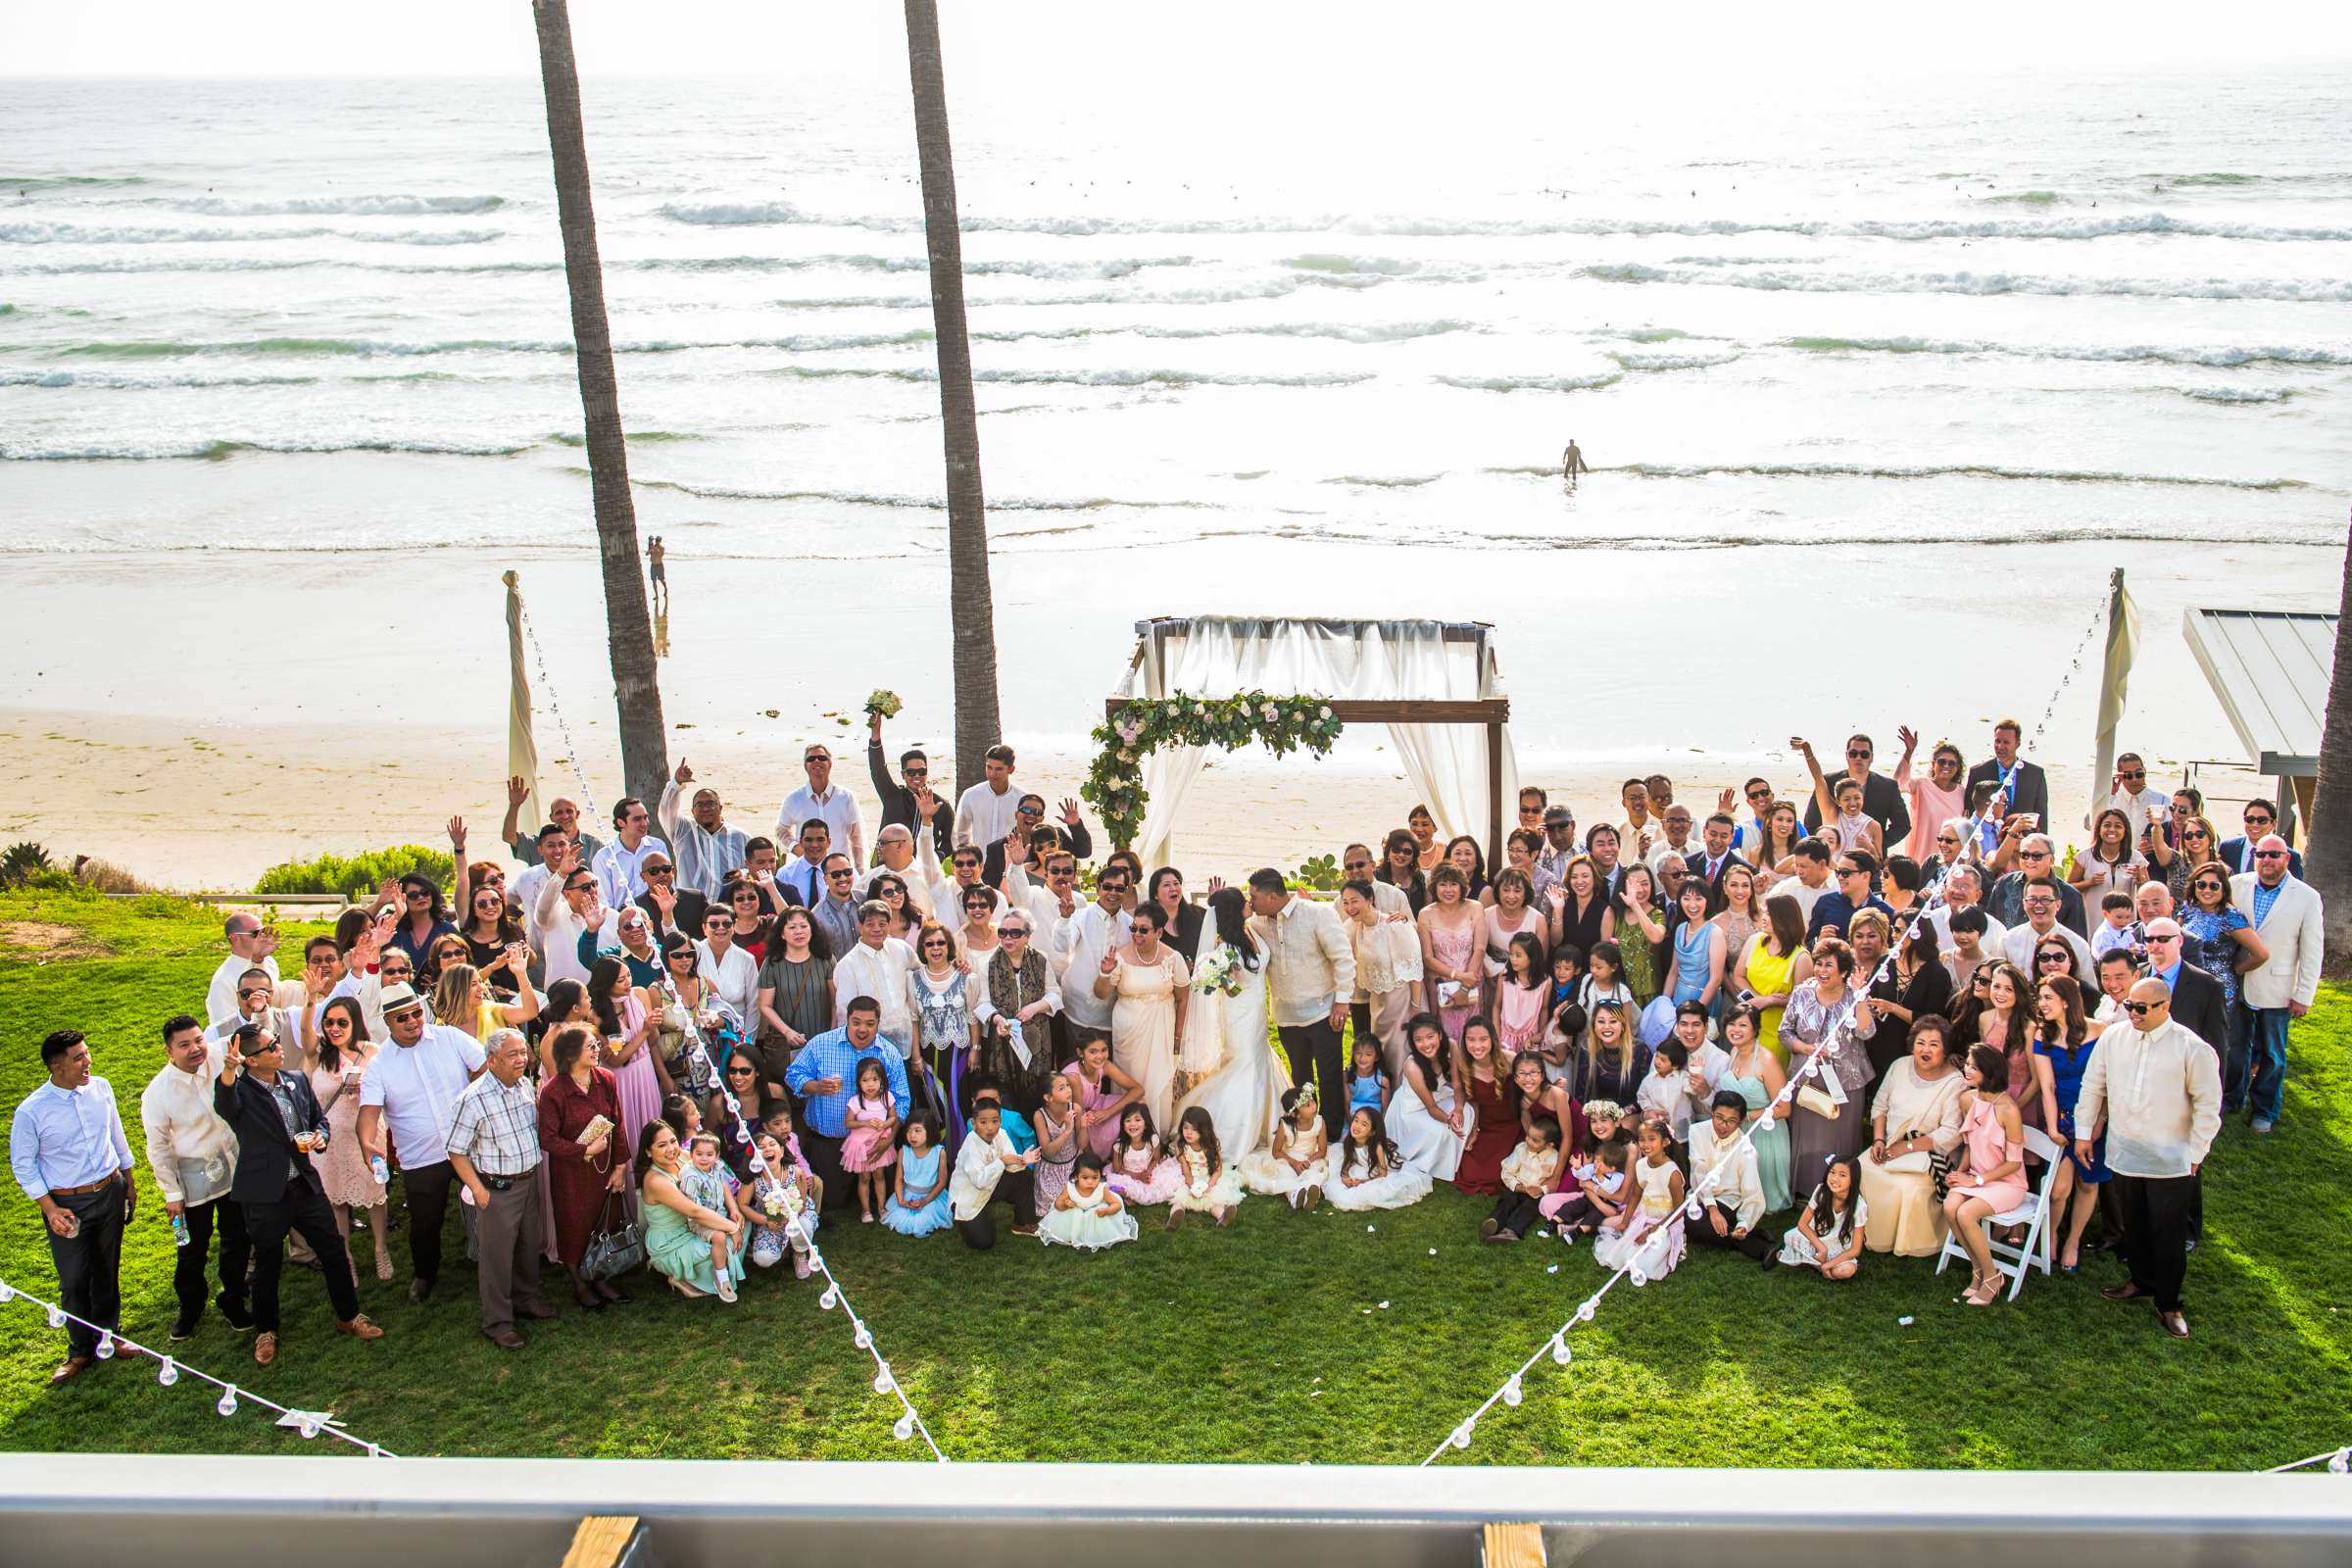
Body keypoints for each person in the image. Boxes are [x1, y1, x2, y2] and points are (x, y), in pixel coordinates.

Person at [212, 1022, 383, 1364]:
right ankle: (266, 1331)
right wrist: (229, 1070)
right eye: (269, 1046)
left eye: (276, 1041)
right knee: (267, 1262)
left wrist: (320, 1136)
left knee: (333, 1251)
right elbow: (224, 1104)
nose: (278, 1047)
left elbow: (317, 1119)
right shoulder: (241, 1091)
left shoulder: (296, 1080)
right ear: (250, 1061)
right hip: (264, 1193)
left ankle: (349, 1316)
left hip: (303, 1185)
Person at [2080, 978, 2222, 1340]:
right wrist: (2084, 1132)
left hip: (2170, 1160)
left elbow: (2208, 1106)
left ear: (2165, 1006)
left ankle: (2169, 1302)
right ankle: (2141, 1281)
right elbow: (2093, 1084)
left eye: (2141, 1008)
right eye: (2129, 1005)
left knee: (2168, 1233)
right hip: (2124, 1152)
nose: (2133, 1013)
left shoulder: (2192, 1048)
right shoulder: (2114, 1038)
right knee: (2135, 1225)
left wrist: (2196, 1153)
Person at [11, 1031, 136, 1384]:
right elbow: (23, 1164)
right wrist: (50, 1209)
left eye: (87, 1053)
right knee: (74, 1279)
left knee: (107, 1268)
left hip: (110, 1190)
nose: (88, 1062)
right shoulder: (32, 1111)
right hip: (67, 1203)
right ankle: (80, 1350)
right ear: (57, 1066)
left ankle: (110, 1336)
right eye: (79, 1057)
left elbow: (116, 1133)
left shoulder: (101, 1088)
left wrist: (128, 1181)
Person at [356, 981, 488, 1302]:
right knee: (426, 1222)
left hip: (468, 1145)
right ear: (388, 1022)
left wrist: (475, 1094)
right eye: (403, 1017)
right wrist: (366, 1142)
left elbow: (486, 1065)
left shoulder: (449, 1037)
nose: (413, 1020)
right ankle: (425, 1274)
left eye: (417, 1012)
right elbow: (368, 1114)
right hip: (422, 1157)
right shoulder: (379, 1066)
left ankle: (499, 1261)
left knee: (491, 1203)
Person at [444, 1030, 554, 1348]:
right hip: (497, 1189)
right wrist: (478, 1190)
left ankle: (527, 1300)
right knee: (497, 1259)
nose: (522, 1059)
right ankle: (498, 1323)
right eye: (512, 1055)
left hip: (528, 1181)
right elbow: (455, 1150)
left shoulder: (521, 1084)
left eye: (523, 1052)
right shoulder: (472, 1099)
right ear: (491, 1060)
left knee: (527, 1247)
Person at [141, 1014, 248, 1338]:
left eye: (198, 1040)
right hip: (192, 1180)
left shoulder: (219, 1056)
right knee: (191, 1249)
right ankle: (190, 1308)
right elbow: (158, 1147)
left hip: (233, 1167)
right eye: (184, 1045)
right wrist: (171, 1193)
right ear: (168, 1051)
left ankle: (232, 1300)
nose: (195, 1049)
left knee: (238, 1240)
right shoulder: (157, 1093)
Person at [1174, 888, 1287, 1160]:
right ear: (1235, 910)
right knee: (1244, 1062)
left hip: (1257, 1013)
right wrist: (1226, 981)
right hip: (1239, 1014)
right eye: (1244, 901)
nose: (1250, 903)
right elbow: (1228, 988)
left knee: (1258, 1059)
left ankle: (1266, 1121)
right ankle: (1232, 1128)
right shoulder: (1224, 946)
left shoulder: (1250, 930)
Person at [1247, 868, 1353, 1136]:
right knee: (1301, 1075)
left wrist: (1342, 1002)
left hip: (1324, 1011)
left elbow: (1343, 959)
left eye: (1254, 897)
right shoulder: (1257, 923)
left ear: (1272, 897)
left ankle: (1332, 1130)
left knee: (1329, 1073)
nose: (1251, 902)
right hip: (1286, 1015)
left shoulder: (1318, 914)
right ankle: (1306, 1127)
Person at [2230, 835, 2324, 1132]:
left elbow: (2312, 950)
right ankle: (2233, 1099)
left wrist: (2304, 994)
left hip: (2278, 989)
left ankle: (2265, 1110)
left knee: (2273, 1054)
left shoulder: (2307, 896)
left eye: (2274, 854)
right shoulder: (2237, 885)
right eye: (2261, 854)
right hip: (2238, 980)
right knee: (2237, 1047)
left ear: (2286, 858)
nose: (2267, 859)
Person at [1856, 1015, 1967, 1256]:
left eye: (1934, 1044)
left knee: (1906, 1187)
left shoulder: (1955, 1082)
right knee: (1860, 1169)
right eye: (1921, 1043)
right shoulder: (1899, 1065)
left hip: (1929, 1155)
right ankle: (1860, 1233)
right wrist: (1878, 1140)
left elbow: (1951, 1132)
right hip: (1889, 1146)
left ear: (1945, 1049)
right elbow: (1879, 1106)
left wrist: (1905, 1148)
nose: (1925, 1049)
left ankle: (1904, 1242)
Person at [537, 1024, 629, 1309]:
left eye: (595, 1044)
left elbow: (618, 1122)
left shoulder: (606, 1079)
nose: (597, 1049)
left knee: (606, 1222)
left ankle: (601, 1275)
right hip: (571, 1174)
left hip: (604, 1168)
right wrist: (584, 1150)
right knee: (574, 1226)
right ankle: (578, 1282)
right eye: (590, 1046)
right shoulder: (554, 1091)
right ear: (570, 1054)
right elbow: (547, 1138)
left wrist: (620, 1167)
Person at [301, 997, 392, 1284]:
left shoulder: (373, 1051)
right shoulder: (319, 1054)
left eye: (342, 1022)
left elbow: (388, 1088)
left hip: (366, 1134)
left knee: (375, 1194)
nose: (334, 1028)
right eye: (329, 1023)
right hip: (331, 1138)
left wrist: (365, 1085)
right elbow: (305, 1035)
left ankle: (381, 1248)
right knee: (336, 1200)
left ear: (355, 1022)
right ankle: (346, 1257)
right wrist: (309, 1001)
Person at [1941, 1043, 2030, 1306]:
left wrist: (1977, 1180)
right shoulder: (1968, 1099)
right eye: (1967, 1064)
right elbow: (1970, 1142)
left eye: (1974, 1067)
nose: (1967, 1070)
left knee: (1966, 1214)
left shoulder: (2008, 1110)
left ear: (1989, 1072)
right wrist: (1960, 1173)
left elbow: (2014, 1163)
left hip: (2006, 1183)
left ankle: (1992, 1277)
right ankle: (1977, 1268)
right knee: (1950, 1207)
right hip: (1975, 1177)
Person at [1781, 938, 1878, 1178]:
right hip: (1807, 1076)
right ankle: (1805, 1186)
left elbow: (1866, 1032)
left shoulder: (1853, 997)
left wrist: (1860, 997)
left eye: (1828, 966)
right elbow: (1785, 1031)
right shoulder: (1802, 993)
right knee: (1808, 1135)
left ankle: (1840, 1185)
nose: (1821, 971)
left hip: (1846, 1079)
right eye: (1819, 964)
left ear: (1843, 971)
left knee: (1839, 1137)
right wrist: (1805, 1048)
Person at [1095, 901, 1192, 1135]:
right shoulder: (1119, 956)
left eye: (1143, 930)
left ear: (1159, 932)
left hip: (1162, 1031)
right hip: (1128, 1033)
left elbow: (1183, 999)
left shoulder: (1173, 958)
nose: (1136, 934)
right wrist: (1105, 973)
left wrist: (1178, 1036)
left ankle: (1157, 1135)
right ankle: (1125, 1139)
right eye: (1134, 928)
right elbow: (1101, 994)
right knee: (1129, 1083)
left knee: (1158, 1084)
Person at [636, 1121, 744, 1299]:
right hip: (673, 1240)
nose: (671, 1149)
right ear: (648, 1151)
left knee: (741, 1227)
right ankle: (680, 1277)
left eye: (673, 1141)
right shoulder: (655, 1180)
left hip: (695, 1226)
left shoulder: (684, 1157)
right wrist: (731, 1227)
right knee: (724, 1242)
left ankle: (702, 1275)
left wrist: (733, 1209)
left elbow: (718, 1178)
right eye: (662, 1145)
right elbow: (694, 1211)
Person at [1340, 876, 1422, 1086]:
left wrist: (1415, 1007)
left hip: (1403, 1000)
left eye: (1354, 900)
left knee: (1400, 1052)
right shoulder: (1353, 927)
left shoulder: (1395, 925)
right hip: (1378, 1003)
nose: (1350, 907)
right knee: (1383, 1054)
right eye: (1345, 902)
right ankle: (1385, 1100)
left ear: (1369, 899)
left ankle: (1405, 1102)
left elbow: (1414, 969)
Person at [1686, 1091, 1774, 1262]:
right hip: (1701, 1195)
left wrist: (1744, 1223)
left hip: (1728, 1200)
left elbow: (1752, 1192)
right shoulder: (1696, 1131)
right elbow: (1699, 1171)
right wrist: (1712, 1209)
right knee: (1687, 1221)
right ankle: (1755, 1241)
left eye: (1731, 1121)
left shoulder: (1746, 1148)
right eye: (1719, 1117)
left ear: (1740, 1121)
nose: (1722, 1125)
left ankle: (1755, 1244)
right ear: (1712, 1112)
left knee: (1695, 1224)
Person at [1717, 1004, 1789, 1211]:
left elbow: (1784, 1109)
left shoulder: (1767, 1060)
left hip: (1764, 1133)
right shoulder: (1733, 1052)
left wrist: (1745, 1116)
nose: (1735, 1030)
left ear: (1755, 1029)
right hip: (1736, 1130)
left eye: (1742, 1025)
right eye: (1732, 1024)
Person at [1593, 1114, 1686, 1276]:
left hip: (1666, 1223)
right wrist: (1625, 1221)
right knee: (1622, 1256)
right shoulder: (1641, 1165)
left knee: (1645, 1265)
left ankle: (1678, 1242)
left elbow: (1679, 1211)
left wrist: (1652, 1231)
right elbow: (1636, 1195)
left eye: (1652, 1139)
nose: (1646, 1144)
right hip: (1645, 1218)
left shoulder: (1672, 1173)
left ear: (1665, 1142)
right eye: (1642, 1139)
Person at [755, 906, 833, 1084]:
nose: (799, 931)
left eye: (803, 926)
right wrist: (787, 1032)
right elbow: (765, 1006)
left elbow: (835, 1001)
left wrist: (832, 1034)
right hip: (788, 1043)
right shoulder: (772, 963)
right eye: (792, 927)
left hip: (823, 1041)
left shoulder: (825, 959)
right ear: (782, 934)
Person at [949, 1098, 1040, 1250]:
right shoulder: (971, 1145)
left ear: (1000, 1121)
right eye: (983, 1122)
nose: (990, 1128)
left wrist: (1022, 1160)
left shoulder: (1002, 1134)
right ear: (974, 1123)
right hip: (967, 1196)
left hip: (992, 1185)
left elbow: (1011, 1164)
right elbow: (979, 1182)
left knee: (1024, 1176)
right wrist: (1002, 1162)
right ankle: (966, 1222)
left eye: (995, 1121)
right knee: (984, 1243)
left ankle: (1023, 1223)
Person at [1732, 894, 1810, 1065]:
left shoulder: (1801, 957)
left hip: (1777, 1030)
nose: (1764, 918)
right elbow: (1738, 976)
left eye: (1769, 914)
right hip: (1748, 1022)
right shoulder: (1755, 941)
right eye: (1764, 913)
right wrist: (1758, 1000)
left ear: (1784, 918)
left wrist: (1772, 1002)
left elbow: (1801, 1001)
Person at [1796, 733, 1911, 850]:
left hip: (1869, 859)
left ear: (1871, 757)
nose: (1858, 758)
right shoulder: (1828, 782)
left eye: (1864, 754)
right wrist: (1824, 847)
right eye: (1853, 753)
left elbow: (1903, 825)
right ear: (1847, 755)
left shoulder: (1888, 786)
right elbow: (1811, 824)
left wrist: (1877, 844)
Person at [832, 901, 918, 1054]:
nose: (877, 929)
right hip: (869, 1045)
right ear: (860, 927)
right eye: (870, 925)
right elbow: (845, 1012)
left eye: (882, 924)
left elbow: (921, 974)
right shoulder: (848, 964)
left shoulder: (901, 949)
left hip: (906, 1039)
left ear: (889, 924)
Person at [1389, 1013, 1467, 1180]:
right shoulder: (1412, 1066)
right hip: (1413, 1108)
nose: (1425, 1044)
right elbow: (1430, 1108)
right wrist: (1448, 1119)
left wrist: (1458, 1109)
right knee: (1441, 1131)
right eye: (1418, 1040)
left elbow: (1458, 1085)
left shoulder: (1452, 1046)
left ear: (1439, 1034)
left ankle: (1461, 1158)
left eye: (1430, 1037)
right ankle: (1432, 1163)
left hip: (1439, 1096)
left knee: (1466, 1112)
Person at [866, 714, 954, 859]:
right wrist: (876, 734)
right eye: (911, 772)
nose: (917, 776)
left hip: (922, 871)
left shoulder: (941, 805)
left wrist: (938, 856)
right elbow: (877, 769)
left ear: (927, 772)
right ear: (903, 774)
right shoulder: (891, 795)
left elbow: (949, 841)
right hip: (887, 866)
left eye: (921, 771)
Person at [1324, 1105, 1432, 1211]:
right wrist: (1345, 1178)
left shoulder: (1377, 1147)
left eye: (1364, 1124)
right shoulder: (1350, 1142)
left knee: (1381, 1190)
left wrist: (1363, 1181)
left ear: (1372, 1132)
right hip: (1366, 1166)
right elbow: (1346, 1164)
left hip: (1385, 1169)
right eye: (1356, 1121)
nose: (1356, 1126)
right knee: (1338, 1183)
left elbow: (1383, 1174)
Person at [1239, 1084, 1330, 1208]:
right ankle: (1293, 1195)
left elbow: (1322, 1150)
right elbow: (1276, 1151)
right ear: (1295, 1114)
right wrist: (1294, 1163)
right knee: (1285, 1174)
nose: (1313, 1105)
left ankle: (1311, 1193)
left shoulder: (1320, 1122)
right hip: (1289, 1158)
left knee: (1313, 1173)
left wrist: (1308, 1161)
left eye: (1312, 1100)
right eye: (1308, 1105)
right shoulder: (1285, 1126)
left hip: (1310, 1158)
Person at [1778, 1154, 1867, 1277]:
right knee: (1791, 1236)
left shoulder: (1859, 1206)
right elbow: (1802, 1224)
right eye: (1832, 1172)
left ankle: (1818, 1264)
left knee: (1846, 1271)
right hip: (1817, 1238)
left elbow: (1856, 1249)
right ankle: (1818, 1261)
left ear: (1853, 1179)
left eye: (1842, 1175)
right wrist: (1822, 1248)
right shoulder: (1821, 1191)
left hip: (1839, 1246)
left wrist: (1827, 1265)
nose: (1835, 1179)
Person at [1987, 834, 2088, 937]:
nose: (2030, 861)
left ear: (2051, 860)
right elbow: (1990, 926)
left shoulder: (2070, 895)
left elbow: (2076, 941)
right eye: (2025, 855)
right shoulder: (2003, 884)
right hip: (2006, 951)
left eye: (2037, 856)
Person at [1481, 1114, 1561, 1244]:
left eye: (1535, 1140)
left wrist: (1541, 1190)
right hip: (1518, 1187)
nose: (1529, 1141)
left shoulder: (1555, 1158)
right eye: (1528, 1136)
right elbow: (1507, 1170)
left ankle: (1511, 1231)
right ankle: (1493, 1223)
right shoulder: (1521, 1149)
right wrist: (1518, 1187)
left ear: (1549, 1145)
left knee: (1529, 1208)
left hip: (1536, 1194)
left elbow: (1555, 1181)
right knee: (1508, 1201)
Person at [839, 1057, 902, 1223]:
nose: (870, 1084)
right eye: (865, 1080)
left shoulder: (886, 1097)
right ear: (859, 1082)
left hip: (878, 1141)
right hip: (861, 1144)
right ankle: (865, 1210)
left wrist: (884, 1123)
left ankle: (881, 1207)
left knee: (879, 1176)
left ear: (882, 1080)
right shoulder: (856, 1101)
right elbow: (848, 1123)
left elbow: (893, 1118)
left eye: (875, 1079)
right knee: (864, 1177)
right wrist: (865, 1123)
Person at [1891, 728, 1968, 862]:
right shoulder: (1921, 785)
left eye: (1952, 763)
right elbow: (1896, 785)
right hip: (1920, 856)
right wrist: (1909, 752)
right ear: (1933, 764)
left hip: (1949, 859)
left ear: (1957, 768)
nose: (1946, 766)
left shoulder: (1962, 792)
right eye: (1942, 761)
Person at [1966, 718, 2050, 830]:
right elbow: (1970, 810)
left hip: (2022, 839)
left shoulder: (2035, 774)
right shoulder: (1978, 773)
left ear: (2017, 744)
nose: (2000, 747)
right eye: (1997, 741)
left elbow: (2041, 815)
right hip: (1987, 838)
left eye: (2006, 742)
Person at [205, 913, 282, 1028]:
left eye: (264, 931)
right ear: (234, 938)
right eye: (256, 933)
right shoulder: (222, 981)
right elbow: (227, 1027)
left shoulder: (270, 962)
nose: (263, 937)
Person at [953, 743, 1022, 851]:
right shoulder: (970, 795)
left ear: (1011, 770)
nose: (992, 774)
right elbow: (960, 834)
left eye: (999, 769)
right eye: (989, 767)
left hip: (1010, 863)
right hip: (978, 863)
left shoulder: (1022, 798)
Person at [2218, 801, 2304, 878]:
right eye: (2250, 819)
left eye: (2262, 820)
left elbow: (2296, 890)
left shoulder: (2290, 856)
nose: (2255, 824)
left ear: (2273, 824)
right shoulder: (2227, 848)